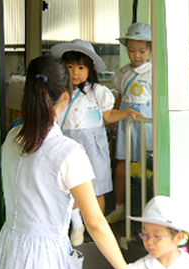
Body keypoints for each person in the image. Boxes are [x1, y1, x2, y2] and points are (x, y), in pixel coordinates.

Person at [0, 56, 144, 269]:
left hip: (7, 251)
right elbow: (95, 222)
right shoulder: (68, 152)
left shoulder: (11, 139)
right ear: (66, 96)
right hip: (44, 261)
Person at [50, 39, 142, 246]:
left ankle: (96, 224)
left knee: (97, 188)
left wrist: (126, 112)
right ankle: (76, 225)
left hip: (93, 146)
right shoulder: (59, 92)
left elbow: (108, 116)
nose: (75, 72)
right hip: (67, 143)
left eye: (81, 67)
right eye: (70, 67)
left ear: (90, 69)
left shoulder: (98, 93)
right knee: (70, 187)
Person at [106, 22, 153, 224]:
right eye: (132, 51)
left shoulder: (153, 73)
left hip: (146, 123)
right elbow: (120, 97)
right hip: (126, 121)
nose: (136, 56)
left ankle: (150, 208)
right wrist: (114, 119)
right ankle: (119, 206)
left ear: (151, 50)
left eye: (142, 51)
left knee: (149, 164)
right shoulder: (122, 73)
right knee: (122, 164)